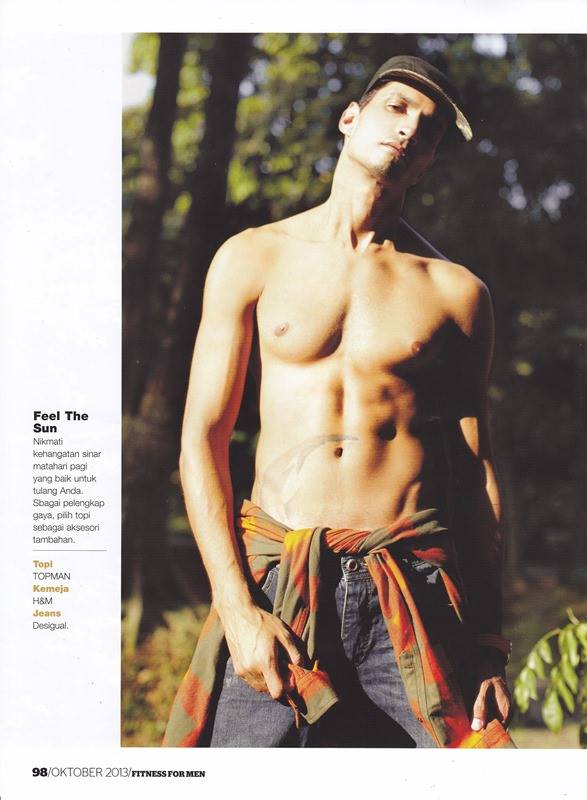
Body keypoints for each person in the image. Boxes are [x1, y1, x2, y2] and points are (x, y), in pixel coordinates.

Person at [164, 55, 513, 748]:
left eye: (429, 129)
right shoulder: (252, 257)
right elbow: (201, 438)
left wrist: (488, 642)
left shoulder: (456, 292)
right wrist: (236, 608)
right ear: (350, 118)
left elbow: (474, 472)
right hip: (278, 587)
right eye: (396, 107)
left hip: (410, 589)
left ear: (428, 162)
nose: (409, 129)